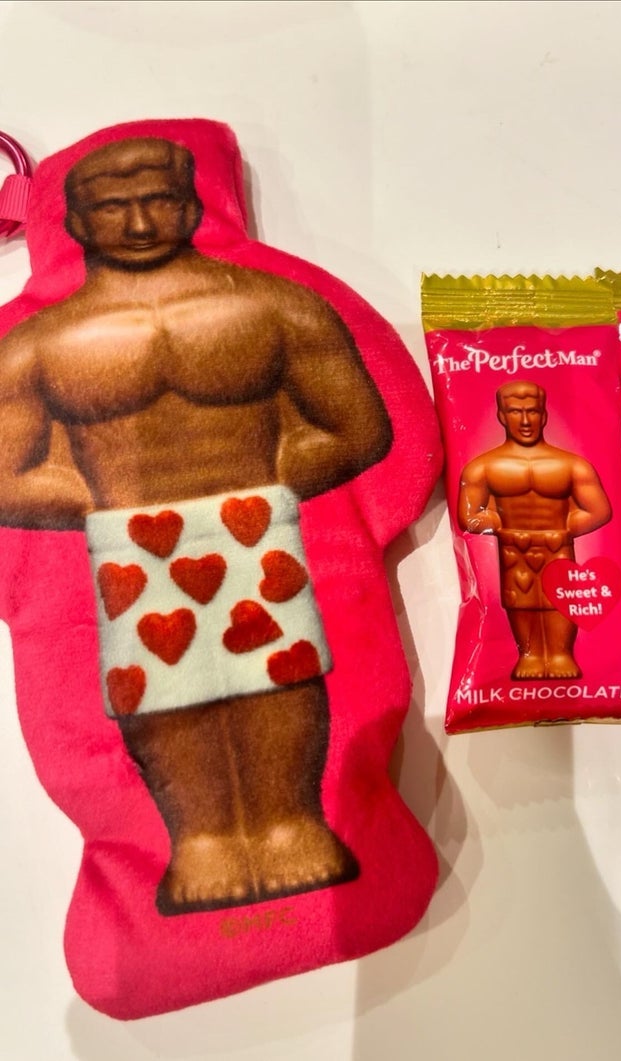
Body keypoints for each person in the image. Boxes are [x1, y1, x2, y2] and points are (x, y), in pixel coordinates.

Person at [0, 137, 392, 913]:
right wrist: (99, 508)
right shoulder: (34, 343)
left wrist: (266, 490)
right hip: (125, 540)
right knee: (161, 689)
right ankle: (200, 840)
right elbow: (7, 471)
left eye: (158, 201)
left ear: (192, 205)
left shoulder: (276, 305)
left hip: (258, 523)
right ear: (74, 220)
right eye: (114, 207)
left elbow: (359, 426)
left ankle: (292, 822)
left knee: (281, 675)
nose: (140, 224)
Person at [458, 380, 611, 680]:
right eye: (516, 412)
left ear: (544, 415)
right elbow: (469, 516)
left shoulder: (572, 465)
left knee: (560, 597)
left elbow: (599, 510)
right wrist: (501, 525)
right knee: (520, 600)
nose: (525, 420)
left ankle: (561, 654)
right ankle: (529, 654)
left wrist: (563, 529)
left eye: (532, 411)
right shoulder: (482, 468)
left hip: (558, 546)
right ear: (502, 415)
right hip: (513, 548)